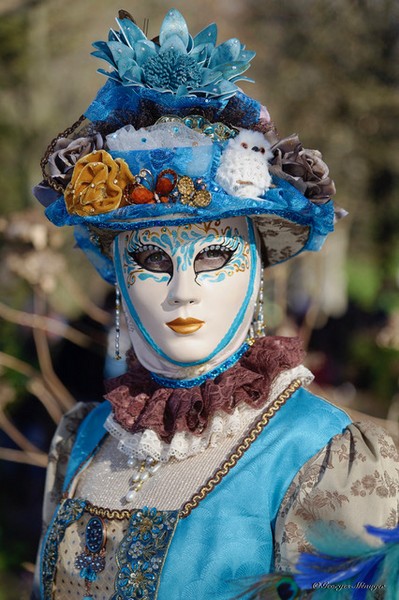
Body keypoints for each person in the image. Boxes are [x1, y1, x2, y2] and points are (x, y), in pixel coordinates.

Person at [32, 9, 398, 600]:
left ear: (255, 271)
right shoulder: (86, 437)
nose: (182, 291)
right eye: (151, 261)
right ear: (119, 282)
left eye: (212, 259)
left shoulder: (323, 459)